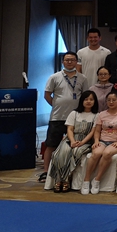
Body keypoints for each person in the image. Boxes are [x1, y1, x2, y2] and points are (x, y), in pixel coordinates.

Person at [41, 51, 90, 183]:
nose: (69, 62)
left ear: (76, 62)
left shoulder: (82, 78)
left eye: (72, 60)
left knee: (73, 145)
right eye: (67, 60)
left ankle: (69, 172)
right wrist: (57, 105)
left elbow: (85, 96)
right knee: (51, 145)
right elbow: (47, 95)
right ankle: (46, 172)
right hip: (58, 116)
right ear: (63, 62)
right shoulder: (54, 77)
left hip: (76, 118)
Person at [48, 90, 98, 193]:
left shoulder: (96, 115)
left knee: (76, 152)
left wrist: (82, 142)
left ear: (95, 101)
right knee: (60, 154)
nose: (88, 101)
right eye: (86, 99)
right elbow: (70, 129)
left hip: (86, 141)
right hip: (71, 139)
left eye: (91, 99)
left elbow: (92, 132)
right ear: (82, 101)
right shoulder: (74, 113)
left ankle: (65, 180)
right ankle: (60, 179)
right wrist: (72, 141)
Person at [81, 90, 117, 195]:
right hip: (102, 140)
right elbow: (97, 131)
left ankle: (97, 180)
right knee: (96, 153)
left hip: (116, 141)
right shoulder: (101, 114)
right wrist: (96, 141)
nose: (111, 102)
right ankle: (86, 180)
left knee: (107, 153)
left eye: (114, 100)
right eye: (109, 100)